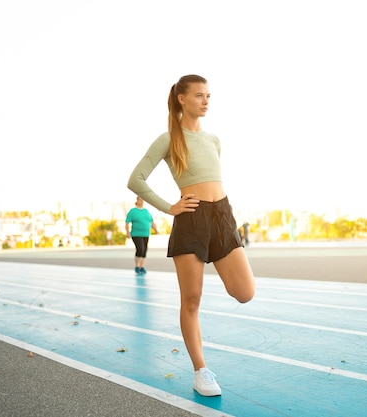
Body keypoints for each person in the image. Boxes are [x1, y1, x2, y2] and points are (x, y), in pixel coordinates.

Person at [128, 74, 255, 396]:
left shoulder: (213, 139)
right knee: (192, 299)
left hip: (223, 215)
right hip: (191, 217)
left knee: (245, 292)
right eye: (200, 95)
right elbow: (136, 179)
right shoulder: (169, 138)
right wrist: (169, 207)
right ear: (182, 99)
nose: (206, 101)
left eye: (209, 96)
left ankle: (201, 365)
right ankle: (201, 371)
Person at [125, 196, 158, 275]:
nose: (142, 201)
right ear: (137, 200)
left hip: (146, 234)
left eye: (143, 199)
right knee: (140, 249)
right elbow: (127, 222)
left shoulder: (146, 211)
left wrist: (156, 229)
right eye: (140, 199)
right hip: (136, 234)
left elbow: (151, 222)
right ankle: (137, 266)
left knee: (144, 250)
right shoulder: (133, 211)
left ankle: (142, 267)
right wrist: (127, 232)